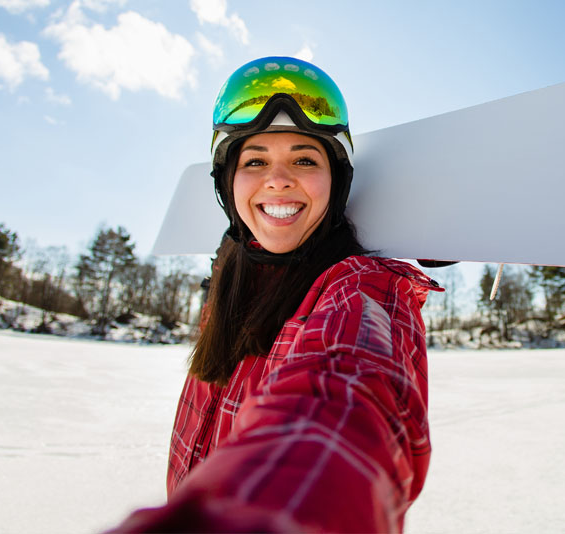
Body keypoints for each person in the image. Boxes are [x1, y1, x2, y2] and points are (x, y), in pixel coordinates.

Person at [109, 56, 442, 533]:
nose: (278, 179)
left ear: (337, 180)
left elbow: (341, 404)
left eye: (305, 159)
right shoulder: (231, 285)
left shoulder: (362, 290)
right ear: (229, 184)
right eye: (255, 161)